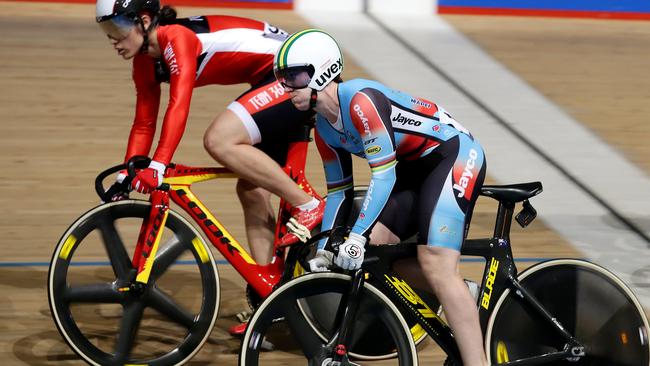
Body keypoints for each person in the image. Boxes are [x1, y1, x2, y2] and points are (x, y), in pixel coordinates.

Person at [274, 29, 489, 365]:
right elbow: (338, 194)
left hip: (453, 155)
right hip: (415, 169)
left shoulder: (361, 101)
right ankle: (461, 292)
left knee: (434, 261)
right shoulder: (325, 130)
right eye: (282, 78)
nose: (286, 87)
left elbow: (383, 174)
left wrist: (355, 236)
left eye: (294, 76)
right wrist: (323, 249)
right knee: (375, 253)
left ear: (324, 71)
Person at [94, 0, 325, 266]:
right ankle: (270, 294)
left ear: (144, 21)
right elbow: (144, 124)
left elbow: (179, 105)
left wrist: (157, 165)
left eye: (117, 26)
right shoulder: (145, 62)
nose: (113, 38)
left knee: (219, 140)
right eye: (107, 29)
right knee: (253, 191)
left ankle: (308, 205)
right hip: (275, 74)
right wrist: (127, 172)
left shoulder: (177, 38)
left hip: (297, 72)